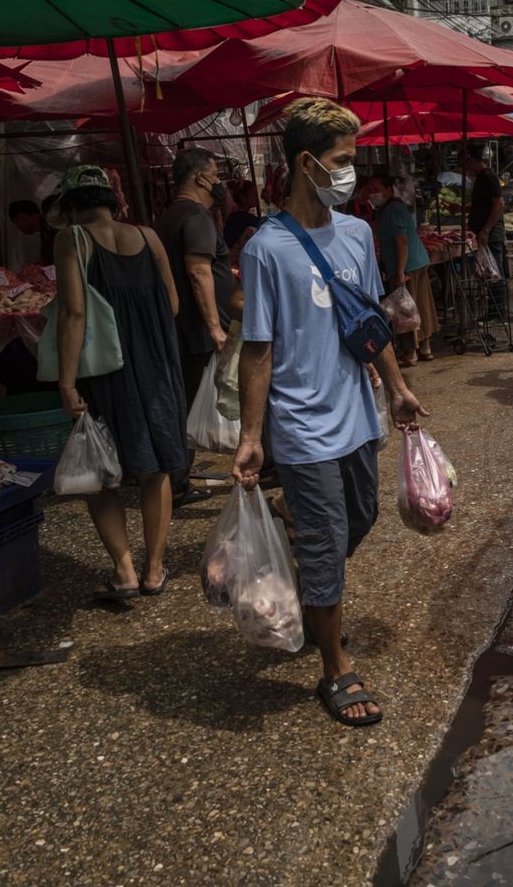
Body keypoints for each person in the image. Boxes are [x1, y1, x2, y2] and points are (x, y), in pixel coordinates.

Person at [235, 98, 428, 728]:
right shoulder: (265, 250)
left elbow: (369, 327)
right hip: (300, 424)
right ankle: (335, 666)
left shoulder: (357, 234)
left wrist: (396, 389)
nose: (351, 172)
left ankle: (303, 547)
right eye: (343, 161)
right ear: (307, 163)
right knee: (325, 550)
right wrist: (251, 435)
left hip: (359, 415)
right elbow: (257, 351)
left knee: (361, 518)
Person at [54, 165, 186, 600]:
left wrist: (67, 380)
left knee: (102, 471)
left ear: (71, 208)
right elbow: (171, 303)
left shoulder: (71, 239)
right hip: (157, 368)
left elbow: (75, 314)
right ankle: (153, 570)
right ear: (112, 200)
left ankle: (125, 572)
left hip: (107, 372)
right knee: (156, 469)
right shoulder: (148, 236)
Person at [154, 147, 236, 507]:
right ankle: (176, 480)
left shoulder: (168, 216)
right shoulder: (197, 216)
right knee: (193, 401)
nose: (219, 182)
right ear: (200, 177)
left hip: (180, 327)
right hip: (199, 330)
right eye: (216, 175)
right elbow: (198, 271)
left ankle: (176, 476)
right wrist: (216, 326)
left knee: (183, 402)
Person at [362, 171, 437, 364]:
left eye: (376, 190)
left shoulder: (393, 210)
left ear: (388, 190)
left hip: (407, 266)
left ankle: (410, 353)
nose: (372, 193)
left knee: (405, 310)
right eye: (370, 190)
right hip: (416, 261)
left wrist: (400, 273)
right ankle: (425, 348)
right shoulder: (388, 208)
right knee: (419, 306)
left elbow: (401, 242)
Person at [466, 145, 508, 321]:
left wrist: (486, 230)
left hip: (491, 235)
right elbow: (483, 206)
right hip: (484, 234)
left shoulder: (488, 177)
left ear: (471, 159)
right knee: (489, 273)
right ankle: (493, 311)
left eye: (464, 162)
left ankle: (498, 313)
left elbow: (499, 204)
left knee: (494, 273)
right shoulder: (481, 178)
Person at [222, 178, 264, 252]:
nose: (257, 197)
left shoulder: (233, 217)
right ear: (243, 198)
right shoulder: (246, 219)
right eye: (254, 194)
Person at [6, 199, 47, 272]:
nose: (19, 228)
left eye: (16, 224)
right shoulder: (43, 231)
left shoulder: (51, 230)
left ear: (21, 218)